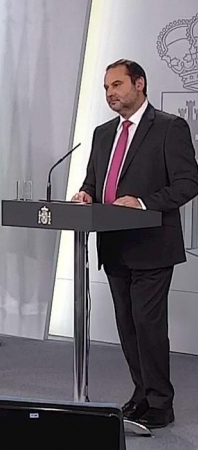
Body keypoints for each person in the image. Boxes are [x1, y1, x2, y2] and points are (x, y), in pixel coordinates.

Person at [72, 59, 198, 428]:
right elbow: (94, 181)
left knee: (148, 324)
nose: (110, 93)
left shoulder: (169, 128)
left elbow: (188, 182)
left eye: (117, 85)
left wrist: (142, 203)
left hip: (152, 244)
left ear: (139, 84)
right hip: (114, 243)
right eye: (106, 88)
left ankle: (161, 401)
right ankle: (141, 394)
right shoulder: (101, 133)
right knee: (127, 325)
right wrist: (84, 194)